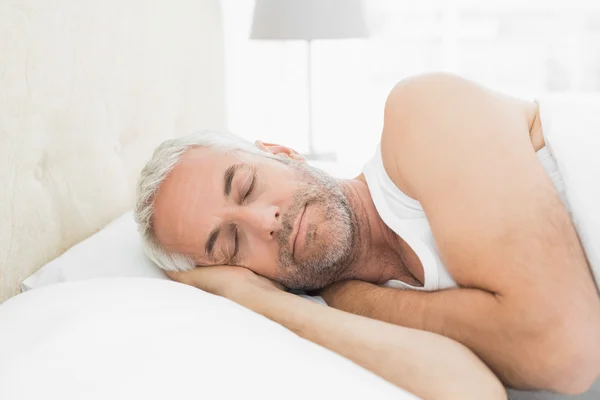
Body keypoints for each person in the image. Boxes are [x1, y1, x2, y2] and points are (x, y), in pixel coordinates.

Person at [134, 72, 600, 398]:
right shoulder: (331, 317)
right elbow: (472, 392)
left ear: (282, 152)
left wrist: (353, 299)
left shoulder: (423, 113)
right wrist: (266, 303)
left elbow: (565, 351)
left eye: (247, 186)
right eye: (232, 244)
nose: (264, 222)